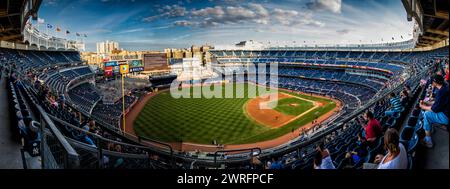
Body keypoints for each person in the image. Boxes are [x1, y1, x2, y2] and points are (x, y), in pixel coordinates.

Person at [419, 75, 449, 148]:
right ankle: (430, 129)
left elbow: (434, 109)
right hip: (446, 112)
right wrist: (428, 103)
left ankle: (428, 141)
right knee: (428, 113)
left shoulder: (441, 92)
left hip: (446, 116)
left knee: (426, 114)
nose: (432, 83)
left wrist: (423, 106)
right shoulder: (445, 87)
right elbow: (439, 103)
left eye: (432, 81)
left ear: (435, 83)